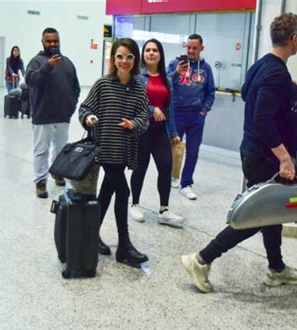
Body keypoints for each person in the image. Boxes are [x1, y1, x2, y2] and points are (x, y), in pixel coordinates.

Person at [181, 13, 297, 293]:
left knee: (272, 211)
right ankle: (201, 259)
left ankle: (277, 268)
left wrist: (287, 90)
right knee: (258, 214)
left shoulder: (260, 66)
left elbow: (254, 98)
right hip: (265, 156)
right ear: (294, 39)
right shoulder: (276, 72)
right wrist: (285, 157)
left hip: (252, 151)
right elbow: (263, 118)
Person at [79, 38, 150, 265]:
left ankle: (90, 235)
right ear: (113, 59)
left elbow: (144, 117)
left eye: (129, 57)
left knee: (107, 193)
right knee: (124, 191)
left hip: (124, 150)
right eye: (120, 56)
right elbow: (85, 107)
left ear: (135, 60)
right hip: (105, 149)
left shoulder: (139, 87)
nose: (124, 61)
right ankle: (124, 246)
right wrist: (88, 118)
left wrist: (133, 125)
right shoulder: (103, 84)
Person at [130, 38, 184, 228]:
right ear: (143, 55)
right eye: (147, 50)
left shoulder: (166, 79)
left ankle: (164, 210)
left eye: (155, 50)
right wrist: (152, 109)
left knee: (165, 167)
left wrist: (174, 132)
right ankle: (135, 203)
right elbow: (134, 104)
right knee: (140, 168)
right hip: (143, 129)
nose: (151, 53)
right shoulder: (137, 77)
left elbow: (170, 109)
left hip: (161, 131)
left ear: (160, 54)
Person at [26, 28, 80, 198]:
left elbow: (75, 87)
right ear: (42, 42)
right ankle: (41, 181)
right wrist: (48, 67)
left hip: (63, 116)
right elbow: (30, 80)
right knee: (42, 150)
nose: (52, 44)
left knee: (61, 149)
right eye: (48, 41)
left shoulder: (68, 62)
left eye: (55, 41)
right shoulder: (36, 61)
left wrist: (71, 105)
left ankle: (57, 173)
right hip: (43, 117)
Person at [167, 34, 215, 200]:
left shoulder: (206, 68)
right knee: (172, 149)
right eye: (189, 47)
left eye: (195, 48)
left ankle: (186, 183)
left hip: (196, 116)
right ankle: (171, 176)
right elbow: (164, 84)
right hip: (177, 113)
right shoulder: (175, 64)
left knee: (193, 151)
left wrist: (204, 110)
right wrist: (175, 72)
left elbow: (210, 92)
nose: (191, 51)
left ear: (201, 48)